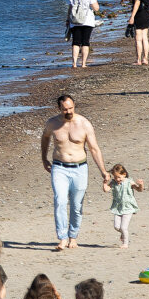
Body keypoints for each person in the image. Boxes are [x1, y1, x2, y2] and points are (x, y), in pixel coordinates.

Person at [41, 96, 109, 251]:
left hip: (80, 168)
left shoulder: (84, 124)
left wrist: (103, 171)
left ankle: (73, 237)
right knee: (60, 200)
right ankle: (63, 238)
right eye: (65, 109)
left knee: (77, 206)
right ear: (59, 108)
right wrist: (44, 159)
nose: (69, 111)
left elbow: (94, 148)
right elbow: (45, 138)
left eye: (71, 108)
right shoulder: (53, 123)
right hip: (59, 167)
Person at [102, 164, 143, 248]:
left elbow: (139, 189)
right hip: (118, 207)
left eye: (119, 177)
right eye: (115, 177)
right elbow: (106, 190)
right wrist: (105, 183)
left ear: (124, 174)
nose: (117, 179)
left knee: (124, 227)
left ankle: (125, 243)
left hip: (128, 207)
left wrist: (141, 184)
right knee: (116, 226)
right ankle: (123, 234)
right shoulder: (114, 182)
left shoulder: (129, 182)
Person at [67, 0, 99, 68]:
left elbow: (70, 8)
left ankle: (74, 63)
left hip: (74, 21)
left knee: (75, 42)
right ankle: (83, 63)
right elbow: (96, 9)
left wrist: (67, 19)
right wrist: (96, 1)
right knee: (85, 41)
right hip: (87, 21)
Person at [127, 0, 149, 65]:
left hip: (139, 14)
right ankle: (145, 58)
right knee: (145, 37)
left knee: (138, 38)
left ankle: (138, 60)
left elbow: (137, 3)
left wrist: (132, 16)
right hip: (146, 13)